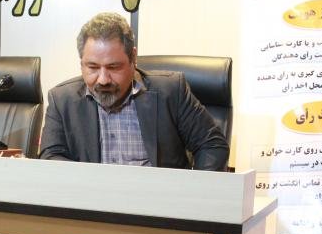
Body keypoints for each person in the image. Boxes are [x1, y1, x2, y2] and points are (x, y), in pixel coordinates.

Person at [39, 12, 229, 170]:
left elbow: (212, 145)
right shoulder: (61, 100)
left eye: (113, 67)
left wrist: (192, 195)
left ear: (133, 58)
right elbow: (51, 157)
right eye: (93, 67)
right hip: (93, 201)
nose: (103, 79)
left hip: (158, 200)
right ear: (81, 63)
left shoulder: (171, 91)